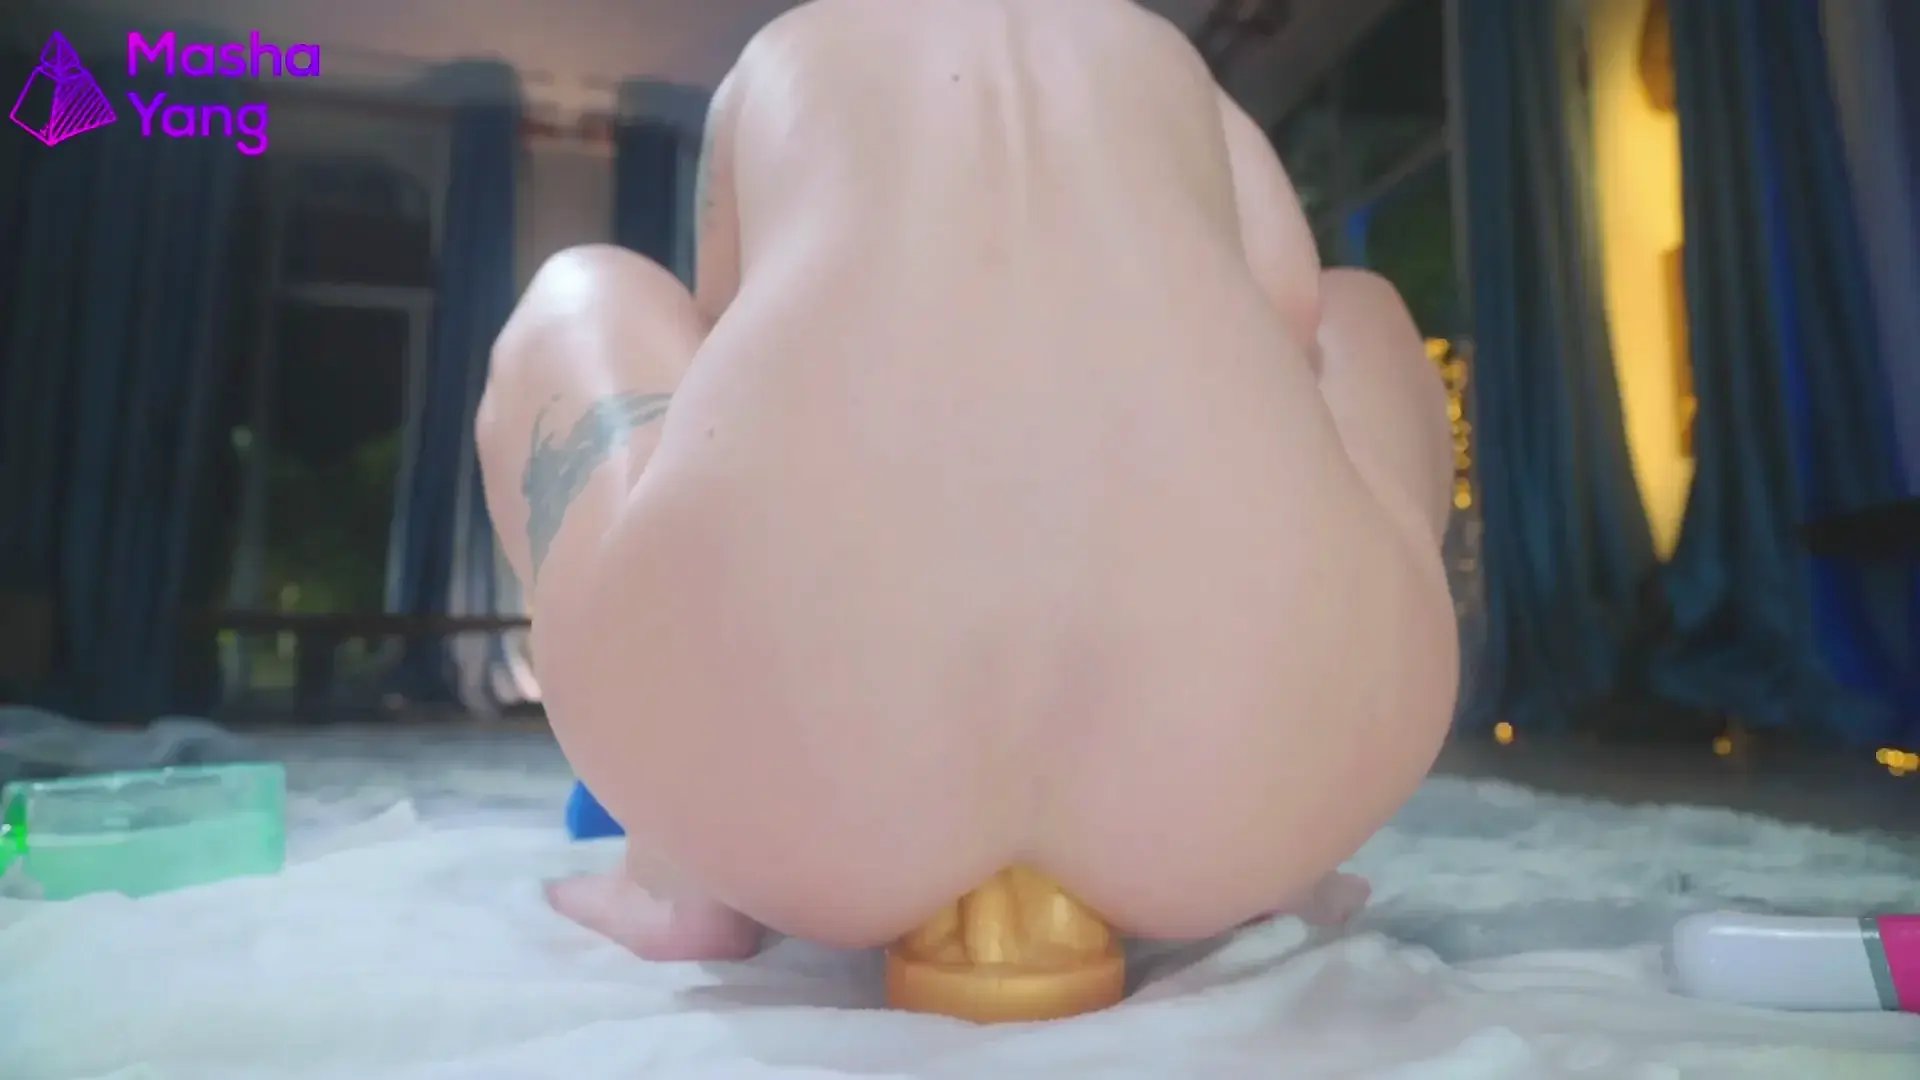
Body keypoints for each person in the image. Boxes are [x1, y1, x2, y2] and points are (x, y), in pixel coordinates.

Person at [476, 0, 1457, 1021]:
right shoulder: (1158, 52)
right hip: (1253, 768)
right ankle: (1291, 864)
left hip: (784, 769)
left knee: (586, 286)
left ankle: (675, 872)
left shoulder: (785, 56)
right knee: (1360, 312)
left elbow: (722, 333)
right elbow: (1289, 305)